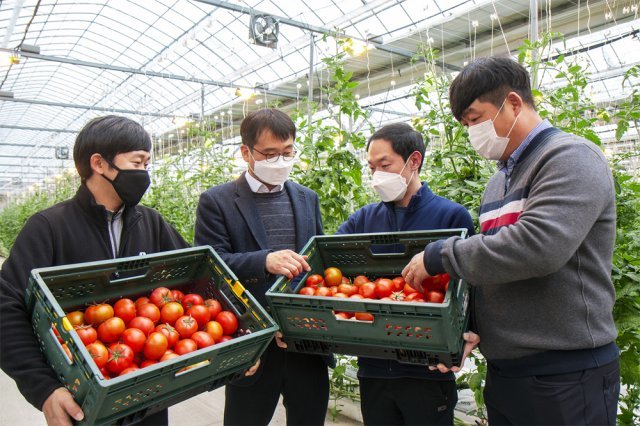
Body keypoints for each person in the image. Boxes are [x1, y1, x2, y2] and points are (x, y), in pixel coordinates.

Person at [402, 57, 620, 425]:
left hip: (566, 374)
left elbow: (537, 246)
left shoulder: (570, 157)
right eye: (466, 124)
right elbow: (496, 266)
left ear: (514, 103)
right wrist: (471, 330)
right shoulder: (499, 181)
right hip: (509, 374)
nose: (472, 131)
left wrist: (440, 255)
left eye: (476, 118)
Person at [0, 115, 190, 426]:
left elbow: (195, 277)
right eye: (137, 162)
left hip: (148, 389)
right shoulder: (49, 228)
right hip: (82, 394)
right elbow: (7, 306)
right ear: (99, 164)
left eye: (147, 163)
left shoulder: (151, 223)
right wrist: (44, 388)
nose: (144, 173)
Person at [194, 108, 329, 425]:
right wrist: (264, 260)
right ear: (246, 152)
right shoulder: (218, 201)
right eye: (269, 154)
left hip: (305, 342)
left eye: (287, 152)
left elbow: (317, 262)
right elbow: (210, 268)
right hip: (253, 343)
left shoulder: (307, 198)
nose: (280, 162)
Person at [335, 123, 475, 425]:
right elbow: (327, 263)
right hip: (373, 365)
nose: (376, 175)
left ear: (414, 161)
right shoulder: (364, 219)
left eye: (384, 165)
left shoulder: (451, 216)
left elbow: (468, 290)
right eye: (372, 167)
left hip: (426, 368)